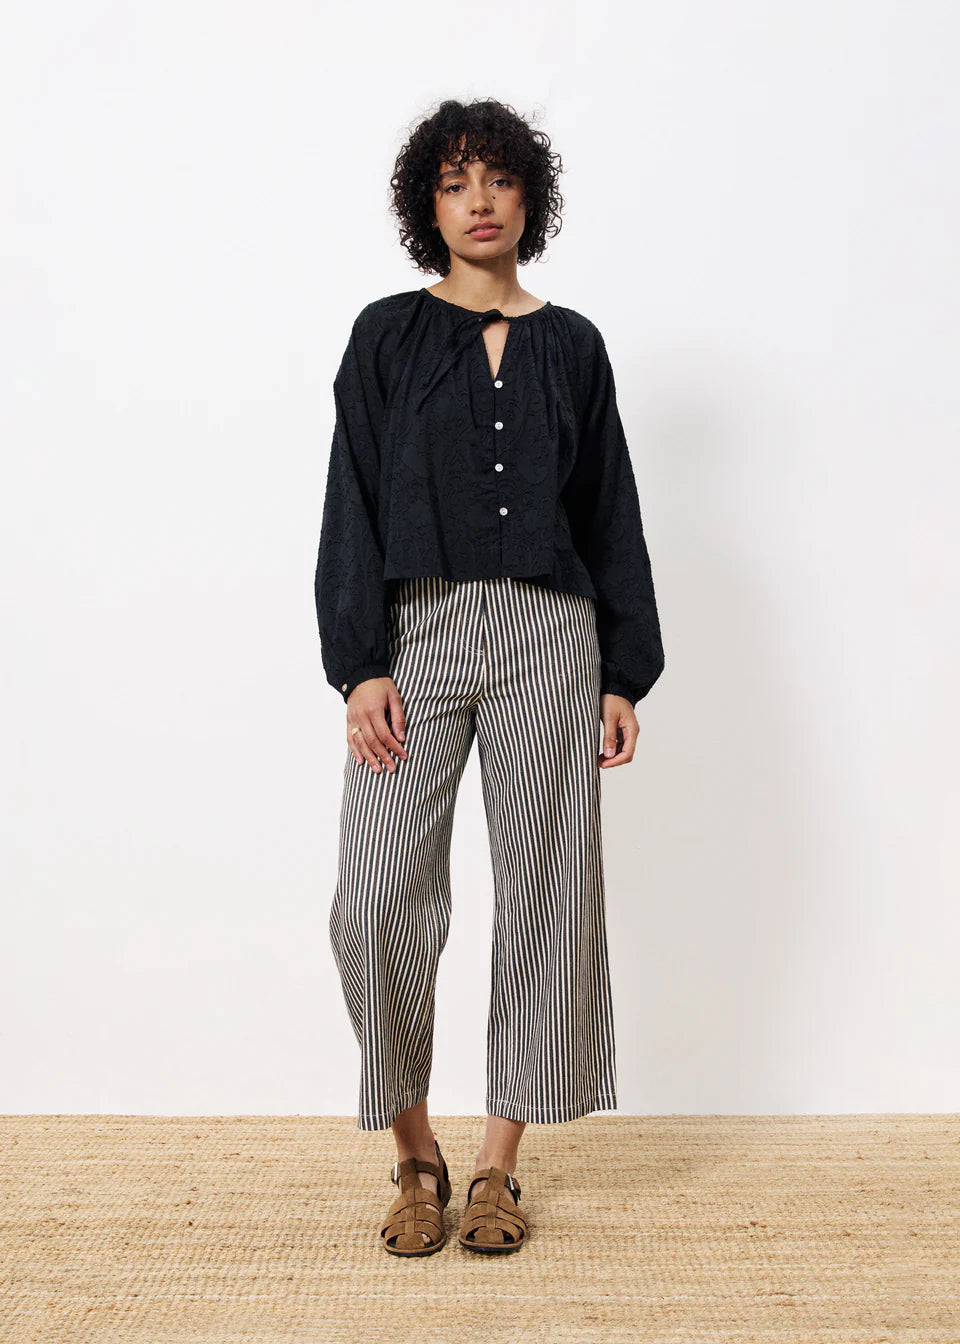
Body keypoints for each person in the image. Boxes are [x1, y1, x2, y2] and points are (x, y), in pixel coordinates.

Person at [314, 97, 665, 1255]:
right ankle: (415, 1152)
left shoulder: (575, 346)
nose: (479, 200)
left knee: (546, 896)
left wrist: (622, 671)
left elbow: (609, 511)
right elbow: (352, 501)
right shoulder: (386, 337)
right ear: (428, 204)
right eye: (456, 181)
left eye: (500, 179)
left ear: (530, 199)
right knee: (375, 899)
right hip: (417, 633)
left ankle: (498, 1169)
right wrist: (360, 665)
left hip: (552, 639)